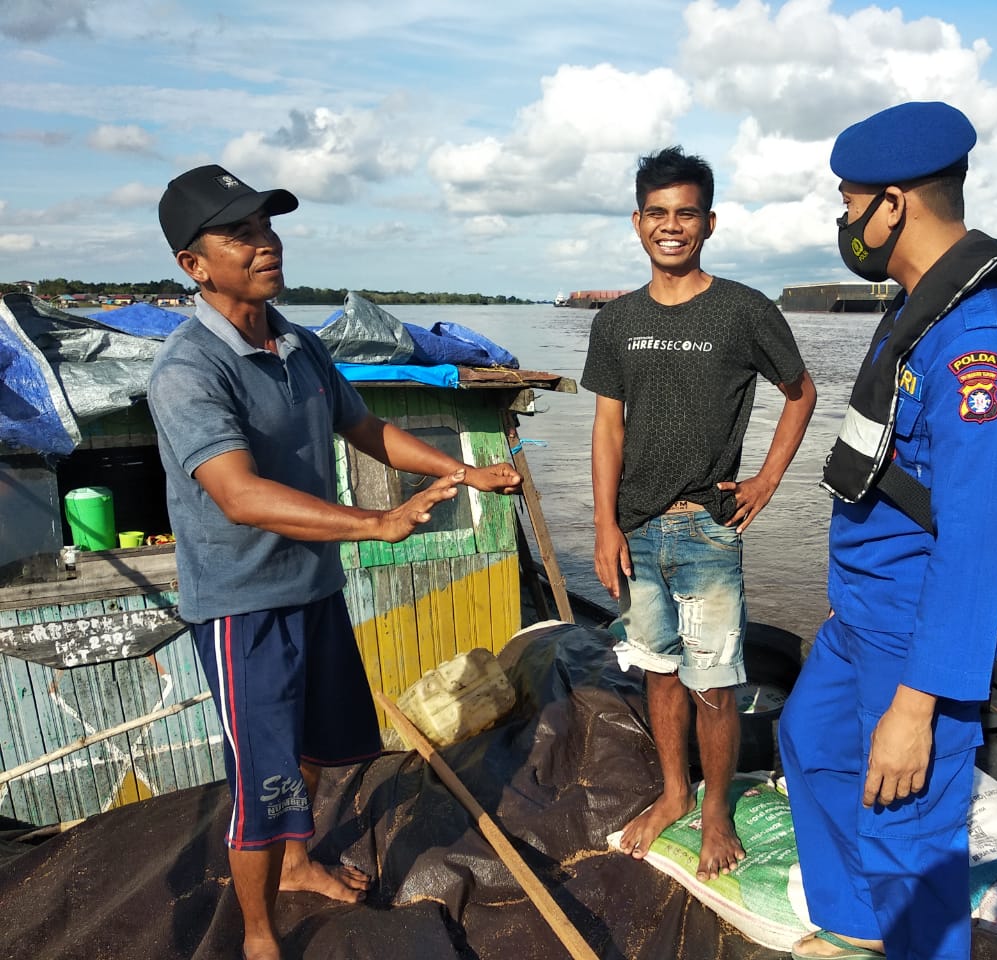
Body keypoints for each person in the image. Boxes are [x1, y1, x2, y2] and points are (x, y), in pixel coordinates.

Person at [148, 164, 523, 960]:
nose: (263, 245)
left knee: (317, 748)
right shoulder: (187, 370)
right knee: (262, 782)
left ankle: (295, 864)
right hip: (243, 608)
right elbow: (240, 495)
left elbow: (366, 429)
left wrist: (460, 472)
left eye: (267, 228)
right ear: (194, 264)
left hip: (313, 589)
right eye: (238, 235)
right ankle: (257, 935)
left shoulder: (299, 344)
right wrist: (374, 523)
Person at [779, 102, 997, 960]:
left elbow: (973, 542)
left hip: (914, 628)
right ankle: (863, 928)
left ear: (893, 205)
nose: (844, 220)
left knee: (906, 833)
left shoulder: (977, 337)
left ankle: (916, 936)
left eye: (851, 202)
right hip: (865, 613)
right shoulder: (916, 306)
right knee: (810, 741)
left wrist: (918, 704)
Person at [582, 146, 817, 882]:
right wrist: (602, 525)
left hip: (707, 525)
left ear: (709, 222)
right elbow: (607, 428)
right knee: (657, 670)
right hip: (637, 528)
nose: (671, 226)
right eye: (658, 213)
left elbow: (800, 390)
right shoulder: (616, 322)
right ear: (637, 222)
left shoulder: (745, 310)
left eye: (686, 213)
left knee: (714, 681)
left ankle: (716, 813)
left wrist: (768, 480)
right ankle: (675, 792)